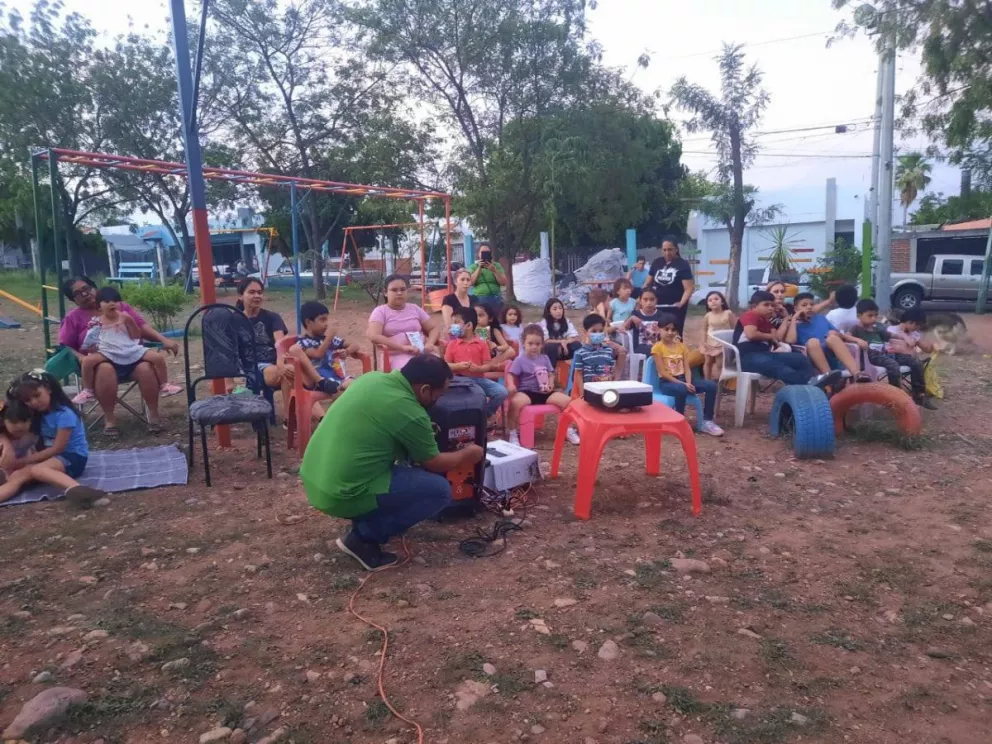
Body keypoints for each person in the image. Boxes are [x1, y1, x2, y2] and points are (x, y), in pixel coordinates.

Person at [301, 354, 485, 570]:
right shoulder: (410, 411)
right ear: (425, 389)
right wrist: (467, 454)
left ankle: (367, 517)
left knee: (403, 468)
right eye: (440, 393)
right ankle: (363, 539)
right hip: (339, 494)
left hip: (315, 476)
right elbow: (433, 462)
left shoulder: (372, 379)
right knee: (439, 491)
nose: (441, 399)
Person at [58, 275, 179, 439]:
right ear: (73, 300)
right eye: (78, 293)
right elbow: (66, 345)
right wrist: (80, 357)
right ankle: (109, 420)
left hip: (131, 358)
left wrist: (164, 340)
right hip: (101, 361)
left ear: (95, 288)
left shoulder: (121, 308)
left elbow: (141, 328)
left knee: (145, 368)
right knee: (105, 369)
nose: (85, 294)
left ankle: (154, 415)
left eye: (86, 288)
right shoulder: (74, 318)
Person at [0, 371, 104, 506]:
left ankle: (78, 490)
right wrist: (7, 444)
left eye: (37, 395)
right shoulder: (35, 414)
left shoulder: (64, 414)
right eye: (28, 400)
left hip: (73, 457)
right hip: (48, 458)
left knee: (37, 470)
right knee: (16, 476)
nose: (34, 402)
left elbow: (58, 448)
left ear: (48, 389)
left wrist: (24, 461)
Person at [733, 291, 842, 389]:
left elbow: (778, 337)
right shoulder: (750, 314)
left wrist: (786, 318)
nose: (771, 308)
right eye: (766, 305)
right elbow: (751, 334)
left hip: (765, 354)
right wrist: (771, 336)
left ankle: (806, 386)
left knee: (800, 359)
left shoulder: (767, 322)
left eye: (772, 305)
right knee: (775, 365)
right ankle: (809, 384)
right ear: (753, 306)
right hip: (746, 357)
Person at [505, 325, 580, 446]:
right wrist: (510, 385)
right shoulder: (520, 360)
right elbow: (510, 374)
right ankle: (513, 433)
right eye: (530, 343)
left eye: (537, 344)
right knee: (514, 403)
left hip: (544, 391)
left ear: (542, 345)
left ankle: (568, 429)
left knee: (569, 402)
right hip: (527, 392)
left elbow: (550, 374)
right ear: (524, 343)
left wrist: (550, 384)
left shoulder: (544, 358)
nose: (534, 347)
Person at [851, 299, 933, 408]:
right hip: (871, 355)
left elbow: (889, 335)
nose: (874, 318)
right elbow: (844, 336)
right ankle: (895, 397)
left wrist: (901, 336)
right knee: (893, 365)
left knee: (915, 362)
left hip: (886, 353)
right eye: (870, 316)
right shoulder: (856, 328)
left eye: (876, 315)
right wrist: (857, 340)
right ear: (859, 316)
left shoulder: (878, 327)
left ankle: (919, 395)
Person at [651, 314, 724, 436]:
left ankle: (707, 421)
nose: (670, 332)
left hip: (685, 380)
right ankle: (679, 421)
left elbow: (687, 368)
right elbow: (663, 373)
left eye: (673, 329)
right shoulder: (657, 348)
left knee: (711, 385)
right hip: (668, 383)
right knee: (681, 389)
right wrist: (683, 384)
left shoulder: (682, 347)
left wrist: (689, 382)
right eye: (666, 329)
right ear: (659, 329)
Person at [789, 292, 872, 382]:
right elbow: (790, 340)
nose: (809, 307)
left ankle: (857, 373)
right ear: (796, 308)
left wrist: (855, 339)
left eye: (812, 304)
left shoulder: (820, 318)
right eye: (804, 305)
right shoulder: (794, 324)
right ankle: (830, 378)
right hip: (810, 357)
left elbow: (840, 334)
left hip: (831, 353)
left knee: (832, 337)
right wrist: (794, 319)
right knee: (813, 342)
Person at [443, 307, 509, 418]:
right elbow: (445, 365)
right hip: (458, 381)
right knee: (474, 396)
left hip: (479, 380)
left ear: (469, 325)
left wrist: (479, 369)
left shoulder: (482, 344)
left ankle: (483, 416)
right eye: (452, 323)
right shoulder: (452, 344)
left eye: (456, 322)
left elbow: (488, 365)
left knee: (501, 392)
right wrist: (458, 366)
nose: (452, 326)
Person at [366, 274, 440, 371]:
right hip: (397, 355)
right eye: (394, 290)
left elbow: (433, 328)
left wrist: (430, 344)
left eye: (403, 289)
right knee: (415, 371)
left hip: (421, 352)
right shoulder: (380, 312)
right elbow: (373, 335)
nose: (399, 293)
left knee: (438, 369)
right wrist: (403, 348)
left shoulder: (415, 309)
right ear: (385, 292)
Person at [234, 278, 294, 391]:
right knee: (289, 374)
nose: (257, 295)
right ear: (240, 296)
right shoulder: (234, 320)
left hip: (274, 363)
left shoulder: (272, 317)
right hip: (249, 366)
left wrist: (281, 365)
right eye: (252, 292)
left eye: (260, 292)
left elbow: (280, 345)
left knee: (291, 373)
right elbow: (229, 352)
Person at [293, 300, 362, 397]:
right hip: (321, 382)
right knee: (353, 389)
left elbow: (355, 345)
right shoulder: (303, 342)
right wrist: (329, 337)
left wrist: (347, 351)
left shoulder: (330, 340)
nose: (326, 324)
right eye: (322, 320)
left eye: (326, 320)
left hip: (338, 377)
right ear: (308, 322)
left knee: (360, 385)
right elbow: (317, 355)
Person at [644, 237, 694, 336]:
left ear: (676, 249)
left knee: (675, 331)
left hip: (675, 306)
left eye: (670, 249)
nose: (667, 253)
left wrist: (681, 303)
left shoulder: (683, 265)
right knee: (657, 330)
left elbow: (689, 288)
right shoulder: (657, 262)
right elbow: (647, 283)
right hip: (658, 305)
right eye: (664, 250)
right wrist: (642, 298)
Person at [571, 314, 626, 396]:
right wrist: (583, 394)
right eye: (593, 331)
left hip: (607, 392)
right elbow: (578, 375)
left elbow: (611, 370)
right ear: (585, 332)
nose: (598, 334)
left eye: (600, 331)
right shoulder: (581, 353)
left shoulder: (608, 350)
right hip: (590, 392)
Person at [700, 291, 735, 381]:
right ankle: (707, 382)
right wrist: (704, 342)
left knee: (720, 364)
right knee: (708, 362)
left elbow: (734, 328)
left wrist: (732, 342)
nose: (713, 301)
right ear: (707, 304)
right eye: (710, 300)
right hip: (709, 342)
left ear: (722, 301)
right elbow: (704, 330)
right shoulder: (708, 315)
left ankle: (719, 383)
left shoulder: (728, 313)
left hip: (723, 343)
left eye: (716, 299)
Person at [625, 287, 668, 355]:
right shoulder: (635, 314)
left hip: (658, 346)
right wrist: (631, 318)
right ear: (640, 301)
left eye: (652, 299)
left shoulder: (660, 315)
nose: (649, 303)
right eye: (645, 299)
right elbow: (624, 328)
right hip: (639, 347)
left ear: (656, 300)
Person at [539, 298, 581, 366]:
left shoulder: (566, 321)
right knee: (550, 347)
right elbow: (545, 341)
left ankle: (577, 368)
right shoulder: (544, 323)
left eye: (560, 308)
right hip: (551, 352)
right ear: (549, 311)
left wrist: (566, 342)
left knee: (577, 345)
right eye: (555, 309)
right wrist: (561, 342)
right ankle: (551, 370)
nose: (558, 311)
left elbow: (574, 337)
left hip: (565, 350)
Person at [468, 242, 507, 315]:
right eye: (482, 252)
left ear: (490, 254)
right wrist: (479, 268)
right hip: (479, 299)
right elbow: (470, 283)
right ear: (478, 254)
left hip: (495, 298)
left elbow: (503, 282)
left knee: (496, 320)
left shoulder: (496, 265)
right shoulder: (473, 267)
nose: (485, 254)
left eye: (487, 252)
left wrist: (494, 270)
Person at [0, 399, 36, 478]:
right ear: (3, 422)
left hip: (23, 467)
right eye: (14, 422)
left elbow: (32, 453)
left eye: (24, 420)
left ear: (31, 421)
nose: (19, 425)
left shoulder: (31, 436)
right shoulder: (2, 439)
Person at [440, 269, 477, 334]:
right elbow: (449, 325)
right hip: (455, 337)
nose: (465, 283)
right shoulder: (448, 299)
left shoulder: (475, 299)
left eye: (468, 280)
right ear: (455, 282)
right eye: (462, 279)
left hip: (472, 336)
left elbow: (478, 321)